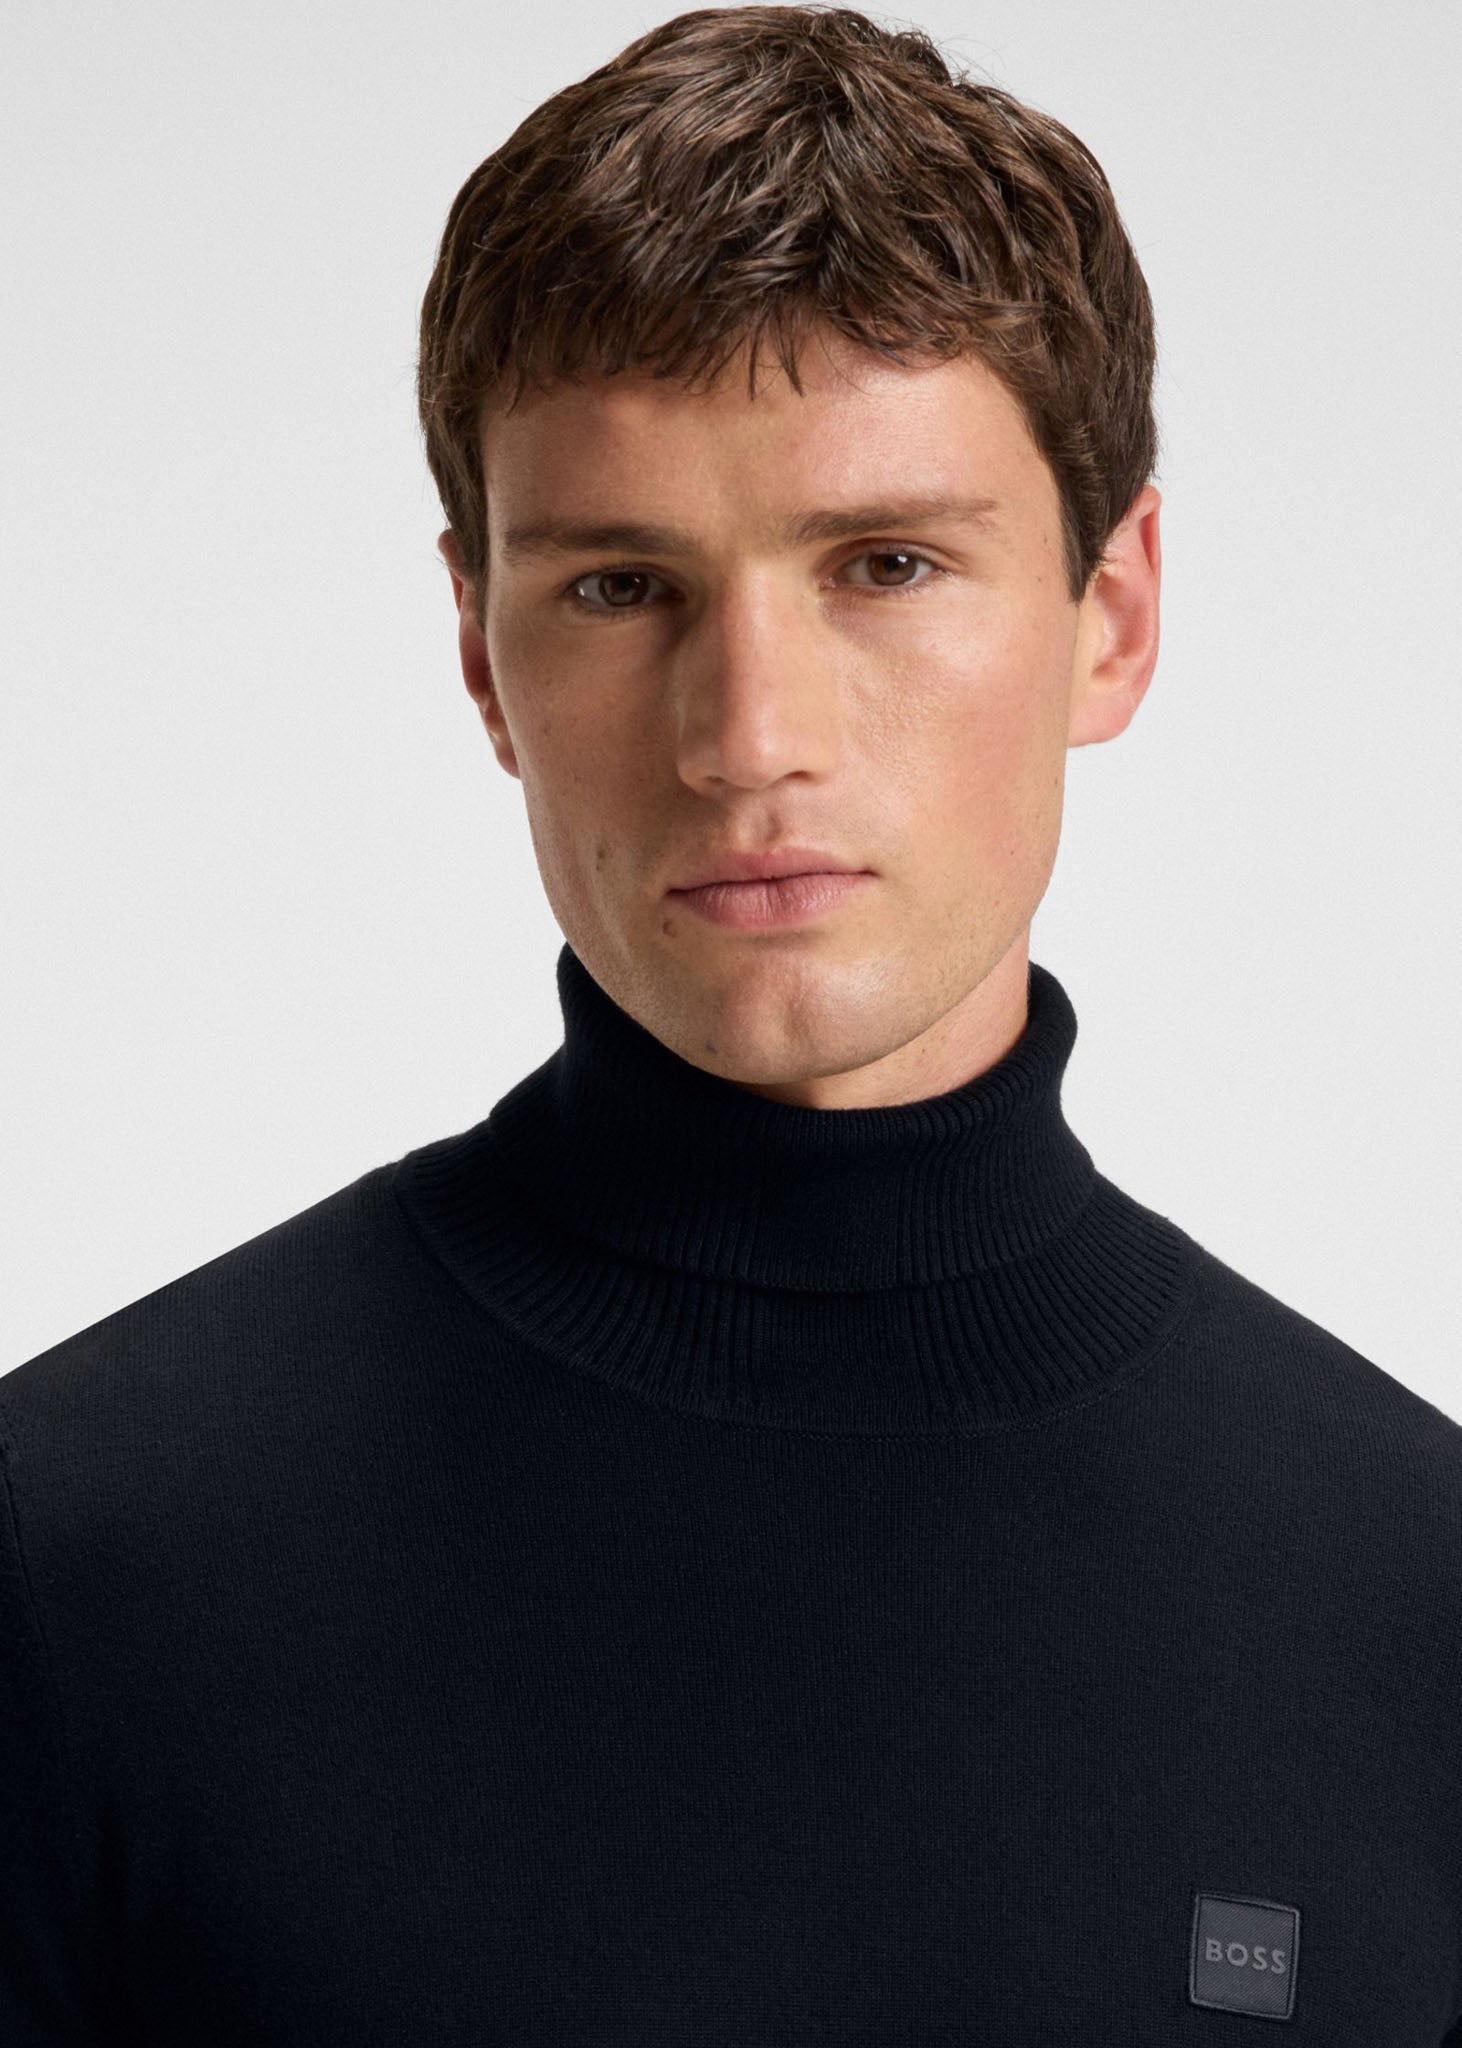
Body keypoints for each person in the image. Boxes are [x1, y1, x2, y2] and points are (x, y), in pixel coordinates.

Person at [4, 8, 1459, 2041]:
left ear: (1110, 616)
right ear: (480, 656)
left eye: (884, 563)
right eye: (620, 588)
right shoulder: (73, 1568)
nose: (748, 736)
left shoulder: (1412, 1604)